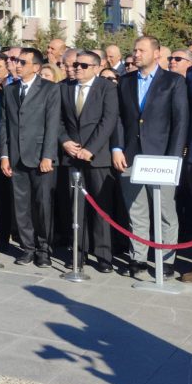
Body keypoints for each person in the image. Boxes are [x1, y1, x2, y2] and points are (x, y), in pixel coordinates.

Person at [115, 36, 189, 280]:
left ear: (156, 54)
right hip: (131, 156)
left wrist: (174, 158)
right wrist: (117, 148)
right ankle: (138, 257)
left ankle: (166, 260)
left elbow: (180, 122)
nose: (135, 54)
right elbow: (119, 119)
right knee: (137, 210)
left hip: (161, 158)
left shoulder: (173, 81)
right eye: (134, 50)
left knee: (166, 211)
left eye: (141, 50)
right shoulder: (125, 82)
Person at [0, 47, 61, 267]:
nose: (16, 65)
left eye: (22, 62)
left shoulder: (50, 89)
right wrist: (4, 155)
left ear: (36, 67)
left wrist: (48, 156)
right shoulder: (9, 90)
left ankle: (44, 249)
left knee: (42, 205)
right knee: (21, 206)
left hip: (39, 156)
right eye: (16, 61)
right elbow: (4, 124)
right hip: (16, 157)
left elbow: (53, 125)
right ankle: (27, 248)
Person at [59, 49, 119, 273]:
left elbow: (109, 120)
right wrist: (65, 141)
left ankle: (104, 255)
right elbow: (58, 120)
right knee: (76, 208)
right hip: (72, 156)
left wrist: (91, 149)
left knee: (101, 208)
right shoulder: (64, 88)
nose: (77, 68)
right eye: (76, 65)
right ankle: (78, 251)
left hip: (98, 157)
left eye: (83, 65)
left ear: (95, 68)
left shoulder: (107, 88)